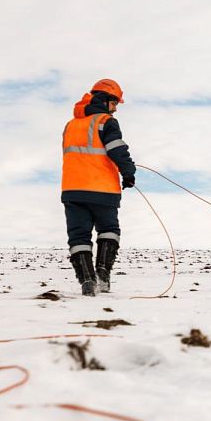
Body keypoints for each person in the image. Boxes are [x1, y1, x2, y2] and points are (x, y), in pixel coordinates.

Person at [61, 79, 136, 296]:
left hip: (72, 190)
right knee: (109, 231)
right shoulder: (106, 121)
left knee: (78, 237)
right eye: (115, 103)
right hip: (103, 189)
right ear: (105, 100)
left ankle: (87, 281)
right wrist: (128, 172)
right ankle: (103, 274)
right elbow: (116, 149)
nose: (115, 109)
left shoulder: (70, 125)